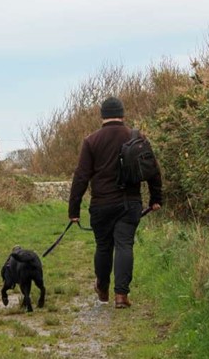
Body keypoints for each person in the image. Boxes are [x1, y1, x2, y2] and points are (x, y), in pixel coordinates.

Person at [68, 96, 162, 309]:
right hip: (129, 204)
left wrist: (74, 210)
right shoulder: (136, 137)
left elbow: (81, 176)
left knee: (103, 247)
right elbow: (153, 170)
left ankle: (102, 290)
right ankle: (121, 295)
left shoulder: (91, 141)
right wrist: (156, 198)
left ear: (102, 115)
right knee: (124, 245)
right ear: (122, 114)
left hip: (101, 205)